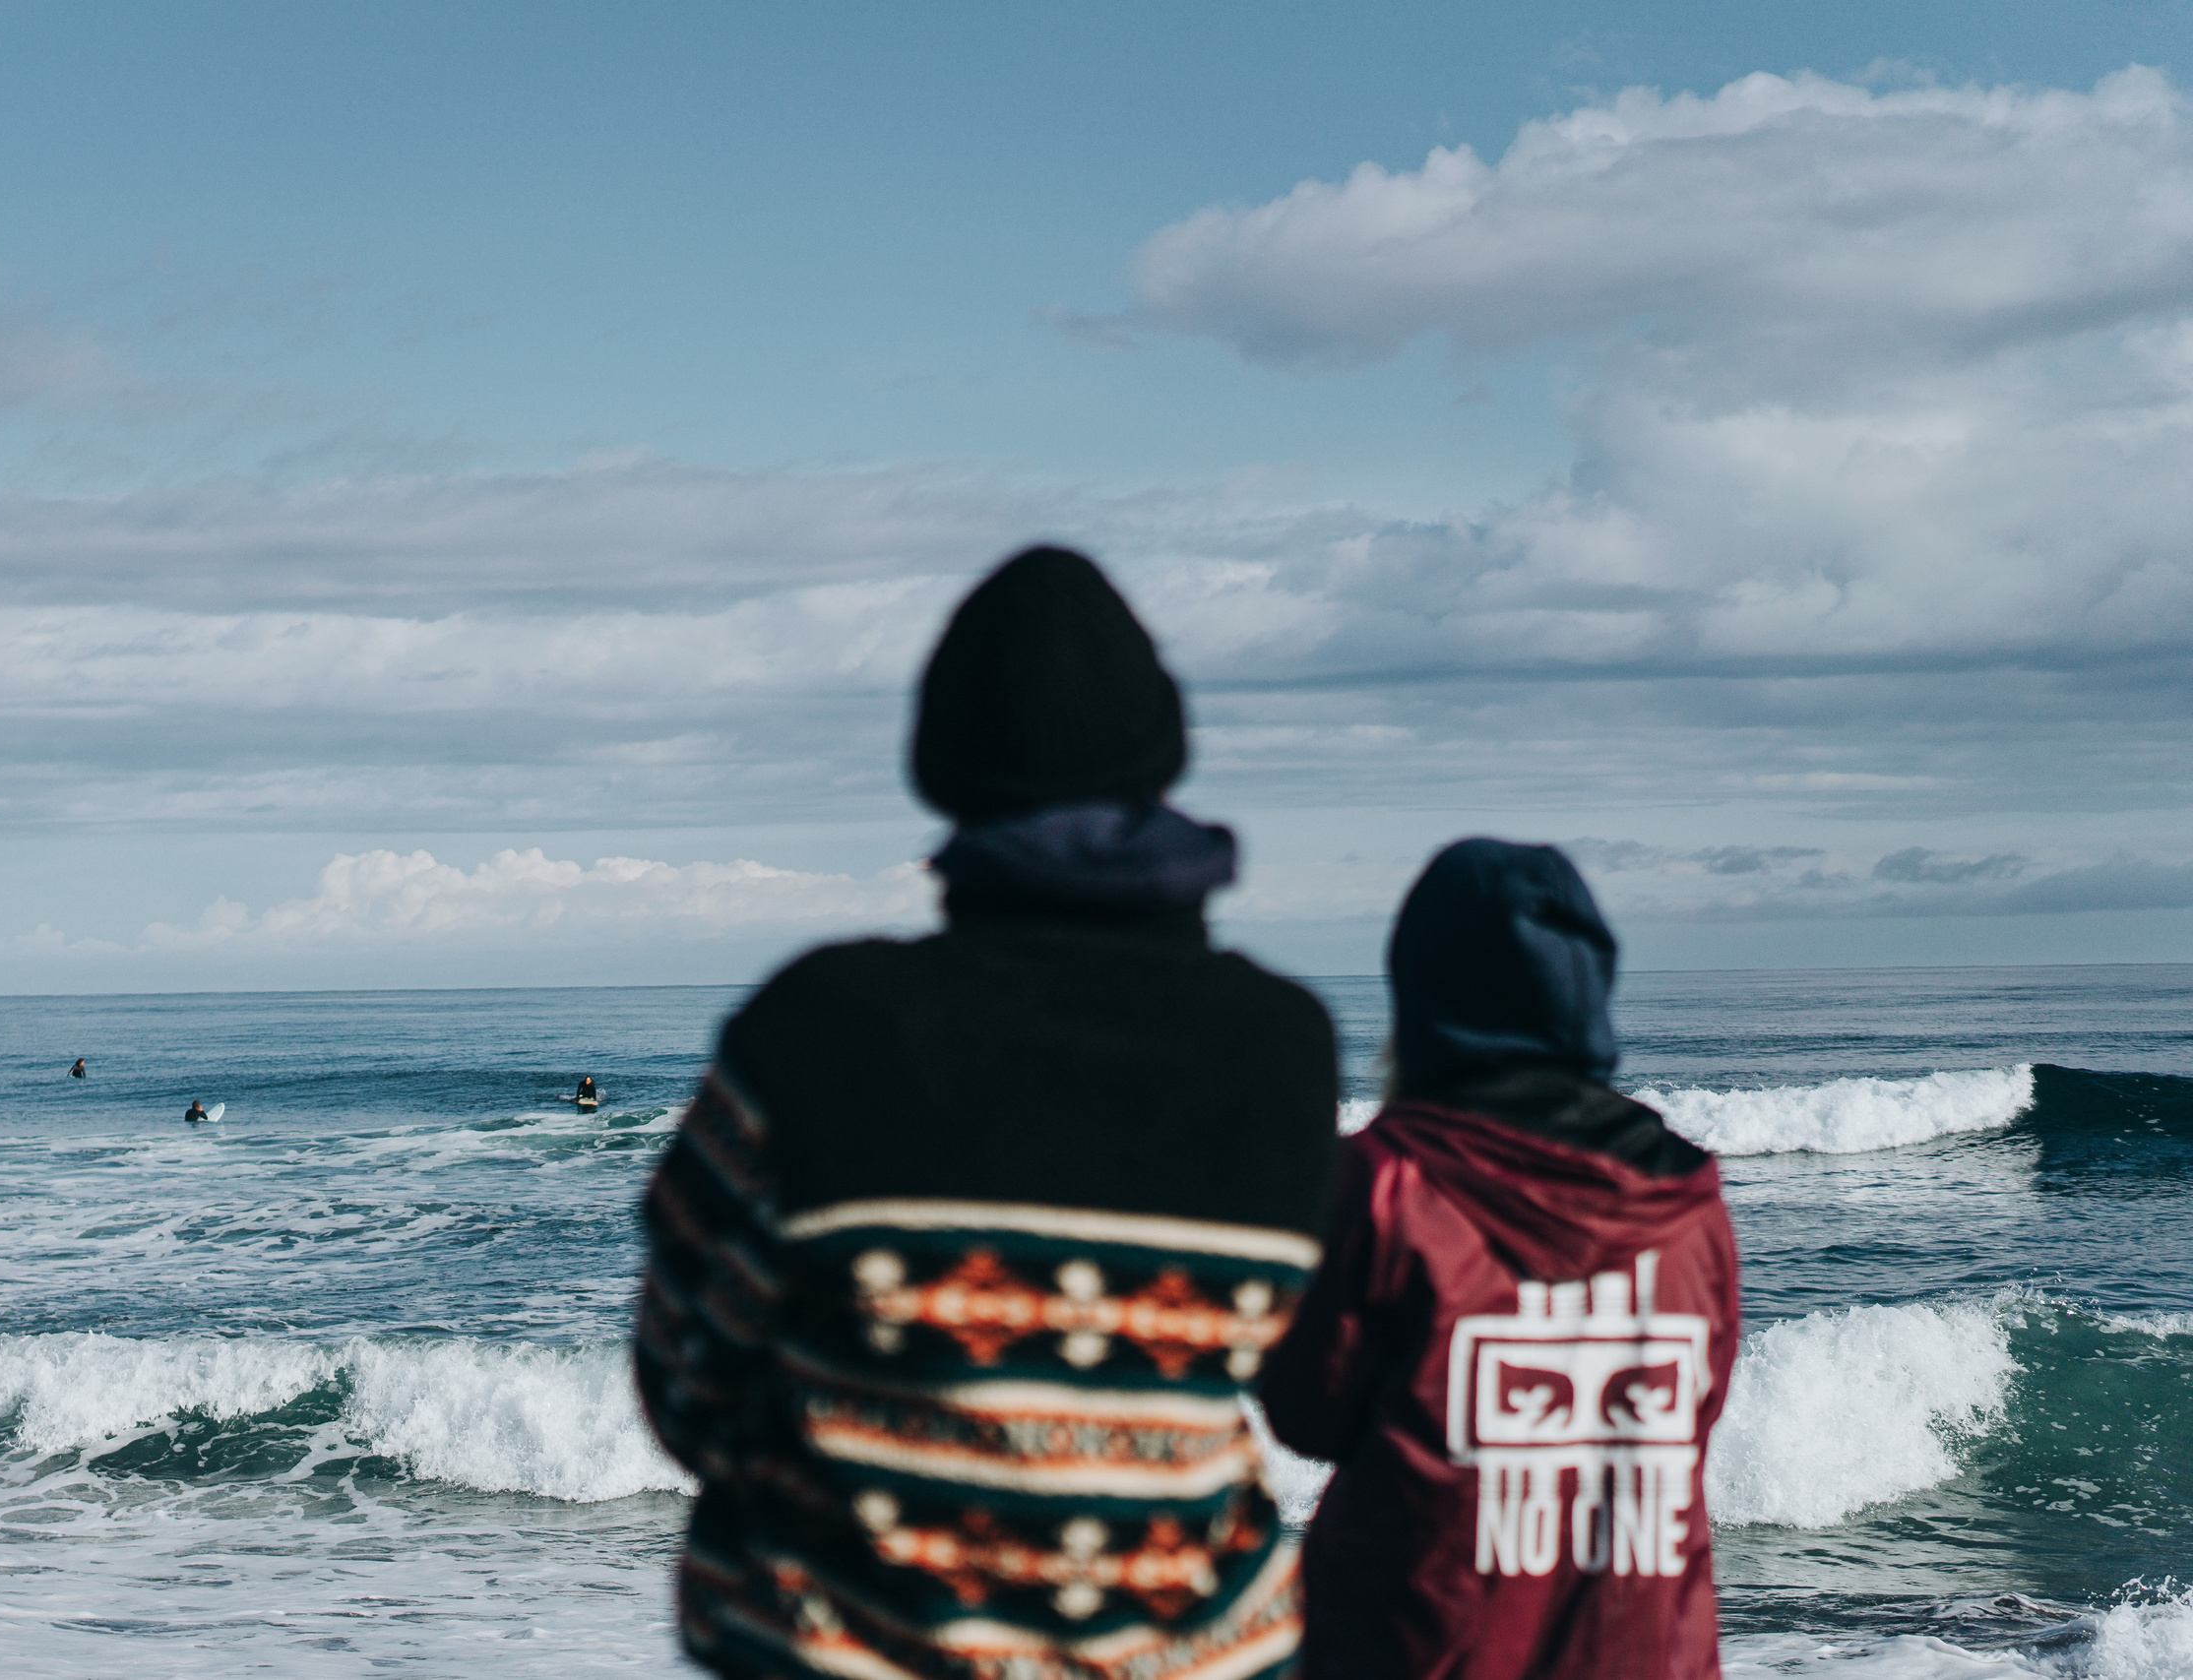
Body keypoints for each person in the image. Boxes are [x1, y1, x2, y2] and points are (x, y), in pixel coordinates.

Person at [634, 546, 1339, 1680]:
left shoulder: (819, 1026)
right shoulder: (1283, 1048)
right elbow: (1283, 1374)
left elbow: (687, 1387)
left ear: (943, 764)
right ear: (1163, 754)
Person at [1258, 840, 1740, 1680]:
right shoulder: (1688, 1202)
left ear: (1423, 998)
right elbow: (1694, 1411)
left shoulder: (1386, 1183)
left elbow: (1308, 1411)